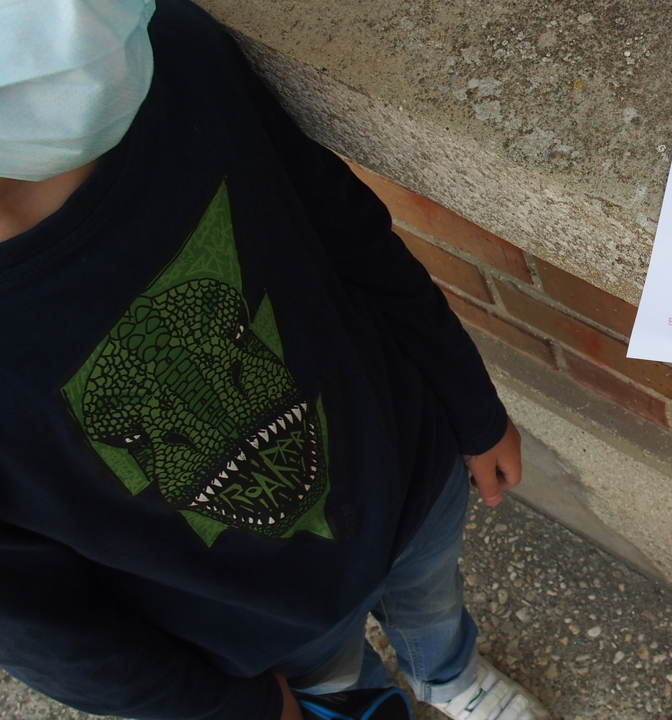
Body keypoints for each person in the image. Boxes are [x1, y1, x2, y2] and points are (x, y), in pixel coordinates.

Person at [0, 0, 549, 718]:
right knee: (340, 687)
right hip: (264, 626)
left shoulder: (165, 50)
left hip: (410, 473)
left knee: (433, 603)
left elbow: (348, 229)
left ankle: (448, 676)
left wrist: (470, 403)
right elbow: (34, 621)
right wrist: (236, 709)